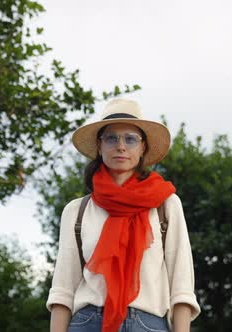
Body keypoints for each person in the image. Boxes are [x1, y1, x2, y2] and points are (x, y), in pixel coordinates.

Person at [47, 99, 200, 332]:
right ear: (99, 146)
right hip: (87, 323)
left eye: (130, 139)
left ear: (143, 148)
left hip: (149, 324)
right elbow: (62, 290)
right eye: (111, 138)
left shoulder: (165, 205)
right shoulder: (76, 211)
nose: (121, 146)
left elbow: (181, 285)